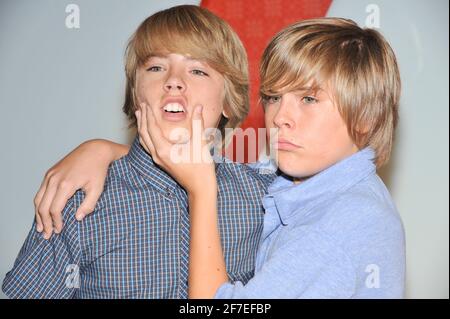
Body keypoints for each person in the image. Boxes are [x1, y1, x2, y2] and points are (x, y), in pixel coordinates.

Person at [2, 5, 275, 299]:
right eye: (156, 67)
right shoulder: (79, 197)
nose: (173, 81)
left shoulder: (267, 199)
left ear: (228, 102)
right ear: (135, 93)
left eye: (197, 70)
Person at [139, 18, 406, 298]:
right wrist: (106, 151)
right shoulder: (310, 182)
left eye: (309, 99)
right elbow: (214, 165)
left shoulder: (337, 228)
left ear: (365, 117)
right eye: (273, 97)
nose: (279, 118)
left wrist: (201, 192)